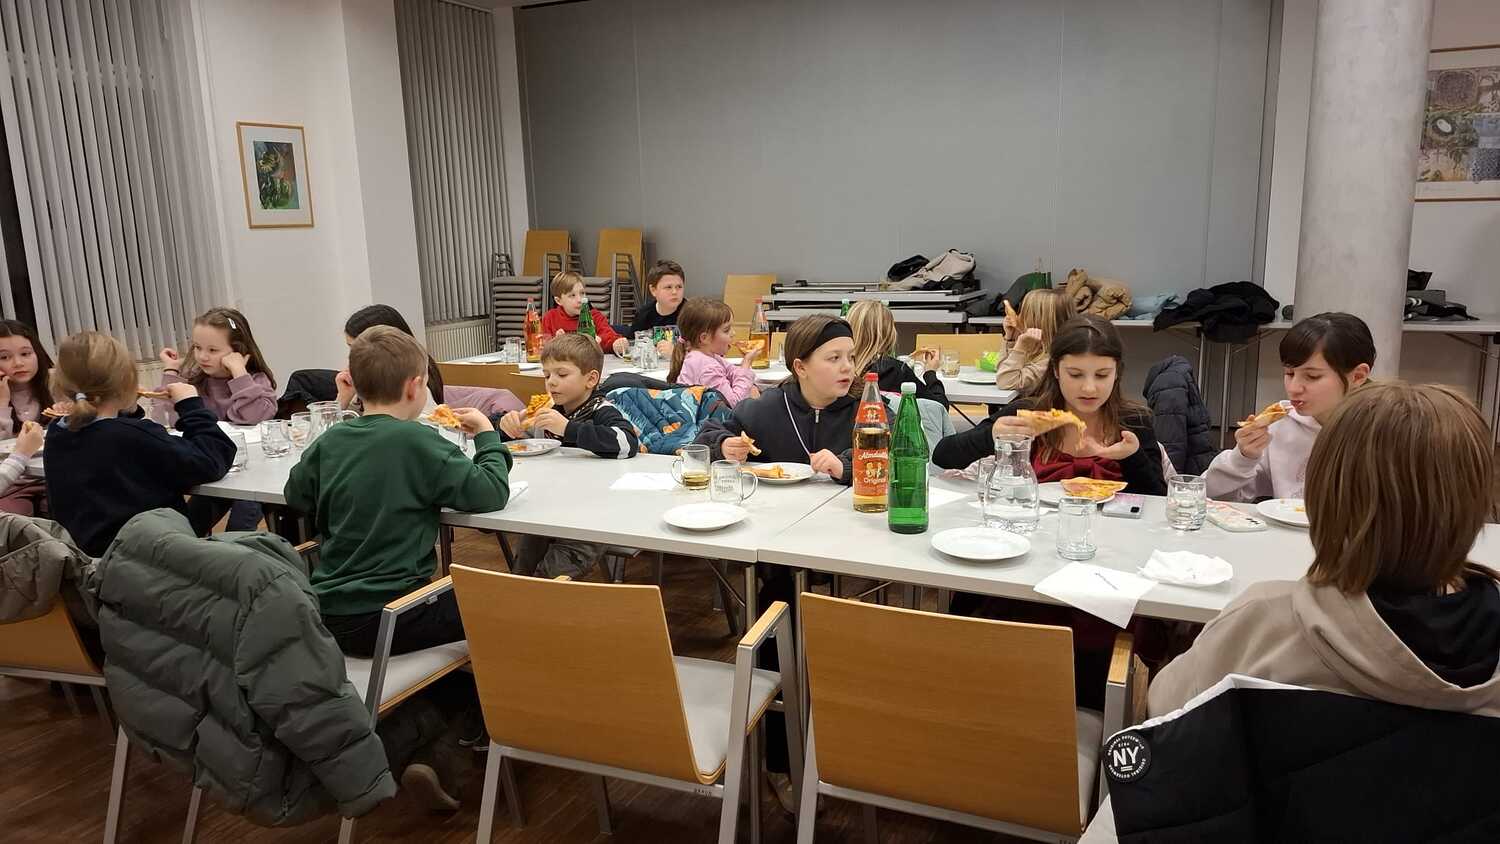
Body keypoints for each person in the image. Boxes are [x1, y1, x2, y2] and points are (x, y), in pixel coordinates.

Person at [1148, 382, 1500, 719]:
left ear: (1322, 497)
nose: (1295, 386)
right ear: (1476, 503)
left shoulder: (1264, 620)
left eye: (1313, 375)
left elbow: (1164, 705)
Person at [284, 325, 512, 810]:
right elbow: (490, 492)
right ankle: (458, 742)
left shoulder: (333, 440)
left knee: (463, 623)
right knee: (503, 612)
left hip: (327, 614)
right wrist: (488, 437)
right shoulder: (418, 441)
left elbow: (296, 493)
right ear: (416, 386)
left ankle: (428, 738)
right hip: (394, 614)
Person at [44, 331, 236, 557]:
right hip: (149, 560)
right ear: (127, 381)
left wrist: (126, 409)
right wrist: (191, 406)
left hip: (89, 560)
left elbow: (108, 438)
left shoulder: (57, 433)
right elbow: (212, 460)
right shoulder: (134, 436)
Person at [934, 315, 1166, 495]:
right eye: (1075, 374)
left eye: (1102, 375)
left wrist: (1132, 456)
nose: (1089, 388)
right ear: (1055, 370)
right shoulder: (1030, 413)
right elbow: (943, 455)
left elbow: (1157, 498)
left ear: (1117, 373)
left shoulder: (1133, 421)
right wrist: (990, 435)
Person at [495, 333, 640, 579]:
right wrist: (506, 428)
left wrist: (568, 429)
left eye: (561, 375)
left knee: (548, 577)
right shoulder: (547, 411)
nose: (551, 382)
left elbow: (627, 442)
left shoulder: (602, 410)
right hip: (548, 506)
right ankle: (521, 594)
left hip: (595, 514)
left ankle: (540, 595)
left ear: (590, 379)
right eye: (546, 375)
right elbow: (523, 442)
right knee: (522, 568)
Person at [1205, 312, 1374, 502]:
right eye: (1289, 373)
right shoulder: (1282, 426)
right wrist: (1243, 457)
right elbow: (1211, 496)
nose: (1293, 388)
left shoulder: (1386, 429)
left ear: (1358, 376)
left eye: (1312, 376)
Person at [156, 307, 278, 531]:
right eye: (197, 347)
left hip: (253, 473)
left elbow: (253, 416)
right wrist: (171, 372)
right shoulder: (196, 381)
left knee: (239, 526)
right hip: (217, 469)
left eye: (212, 350)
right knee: (190, 526)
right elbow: (168, 418)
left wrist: (239, 373)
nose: (202, 356)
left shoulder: (256, 381)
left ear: (238, 351)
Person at [696, 314, 857, 482]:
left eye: (851, 357)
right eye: (834, 358)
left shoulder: (866, 411)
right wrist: (723, 446)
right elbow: (700, 445)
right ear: (801, 368)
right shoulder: (765, 409)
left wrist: (845, 466)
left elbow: (876, 456)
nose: (847, 367)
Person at [0, 321, 61, 514]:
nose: (18, 363)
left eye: (25, 354)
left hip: (53, 476)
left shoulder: (57, 384)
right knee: (11, 517)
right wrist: (2, 403)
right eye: (4, 357)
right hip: (11, 483)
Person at [337, 304, 445, 411]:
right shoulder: (369, 377)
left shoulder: (413, 380)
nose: (353, 357)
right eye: (351, 349)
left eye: (358, 350)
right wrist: (343, 398)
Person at [845, 300, 948, 407]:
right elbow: (938, 407)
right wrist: (930, 372)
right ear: (888, 332)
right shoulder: (895, 371)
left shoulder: (840, 369)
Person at [668, 297, 761, 407]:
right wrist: (746, 364)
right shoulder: (707, 367)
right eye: (726, 330)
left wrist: (749, 385)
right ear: (704, 338)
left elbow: (732, 371)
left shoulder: (708, 356)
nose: (733, 333)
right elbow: (734, 404)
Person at [995, 287, 1074, 393]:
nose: (1019, 317)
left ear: (1039, 322)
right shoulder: (1037, 348)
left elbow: (1005, 381)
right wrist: (1010, 339)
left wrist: (1020, 348)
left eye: (1024, 314)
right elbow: (1001, 370)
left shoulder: (1050, 361)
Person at [541, 271, 629, 357]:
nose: (580, 300)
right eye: (572, 295)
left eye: (582, 293)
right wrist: (556, 343)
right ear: (558, 300)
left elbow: (610, 337)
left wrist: (617, 344)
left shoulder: (595, 316)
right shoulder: (550, 318)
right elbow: (543, 348)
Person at [631, 259, 686, 355]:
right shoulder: (643, 315)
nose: (674, 292)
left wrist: (676, 353)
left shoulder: (692, 314)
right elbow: (634, 345)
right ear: (653, 290)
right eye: (668, 287)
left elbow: (703, 352)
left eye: (679, 287)